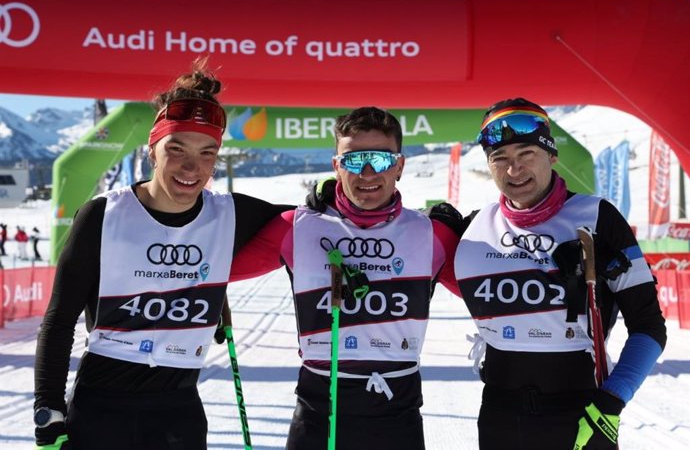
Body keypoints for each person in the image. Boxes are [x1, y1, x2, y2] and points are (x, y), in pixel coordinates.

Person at [33, 58, 291, 450]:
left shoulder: (232, 213)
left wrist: (325, 196)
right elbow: (59, 318)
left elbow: (311, 222)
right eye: (176, 149)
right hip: (102, 407)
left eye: (207, 153)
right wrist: (48, 409)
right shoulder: (105, 213)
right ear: (152, 150)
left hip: (178, 411)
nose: (192, 166)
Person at [230, 106, 460, 450]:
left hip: (396, 413)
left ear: (399, 166)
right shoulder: (297, 227)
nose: (367, 173)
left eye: (380, 160)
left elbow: (495, 292)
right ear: (336, 166)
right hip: (319, 410)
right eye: (353, 161)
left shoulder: (433, 234)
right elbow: (205, 269)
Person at [444, 97, 667, 449]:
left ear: (551, 155)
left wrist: (611, 402)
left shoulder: (598, 218)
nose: (514, 170)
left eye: (526, 154)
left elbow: (650, 327)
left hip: (581, 413)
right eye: (499, 159)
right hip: (500, 417)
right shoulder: (473, 229)